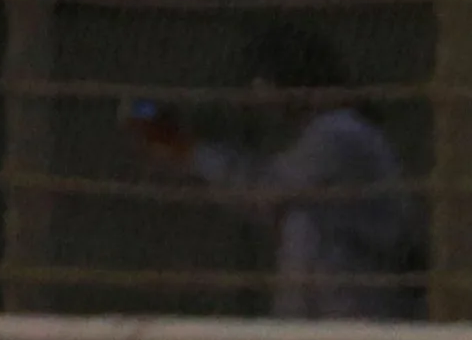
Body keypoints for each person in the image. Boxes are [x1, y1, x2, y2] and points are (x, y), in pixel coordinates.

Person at [126, 25, 418, 319]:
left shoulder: (338, 133)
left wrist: (189, 150)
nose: (260, 95)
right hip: (337, 323)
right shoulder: (338, 133)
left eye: (264, 81)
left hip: (353, 321)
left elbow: (262, 190)